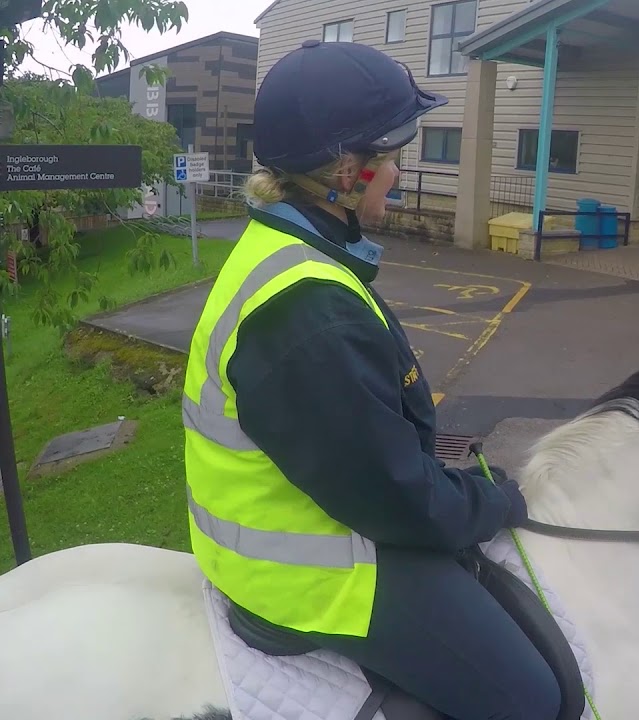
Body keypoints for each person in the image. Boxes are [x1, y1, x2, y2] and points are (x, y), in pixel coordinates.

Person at [181, 40, 560, 720]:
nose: (399, 174)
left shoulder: (285, 248)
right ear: (346, 173)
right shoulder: (308, 307)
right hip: (310, 576)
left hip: (286, 527)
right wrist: (491, 501)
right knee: (530, 698)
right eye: (391, 157)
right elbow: (393, 496)